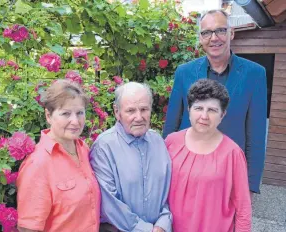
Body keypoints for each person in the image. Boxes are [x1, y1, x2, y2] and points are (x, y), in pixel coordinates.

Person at [162, 9, 267, 194]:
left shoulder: (255, 74)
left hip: (228, 173)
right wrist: (163, 170)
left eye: (220, 30)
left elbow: (256, 134)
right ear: (201, 38)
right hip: (186, 170)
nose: (214, 38)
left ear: (231, 33)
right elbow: (171, 125)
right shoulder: (184, 72)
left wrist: (249, 187)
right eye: (206, 32)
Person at [165, 79, 252, 232]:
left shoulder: (232, 153)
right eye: (198, 108)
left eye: (212, 110)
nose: (204, 116)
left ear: (222, 114)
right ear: (189, 110)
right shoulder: (171, 143)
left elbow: (243, 208)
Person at [16, 79, 100, 232]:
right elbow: (28, 229)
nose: (75, 121)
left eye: (80, 113)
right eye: (66, 113)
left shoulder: (83, 149)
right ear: (48, 115)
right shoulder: (38, 164)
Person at [90, 82, 172, 232]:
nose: (139, 117)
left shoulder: (158, 142)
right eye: (131, 111)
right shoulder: (104, 146)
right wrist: (146, 230)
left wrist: (163, 223)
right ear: (117, 112)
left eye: (144, 109)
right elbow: (110, 204)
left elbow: (167, 194)